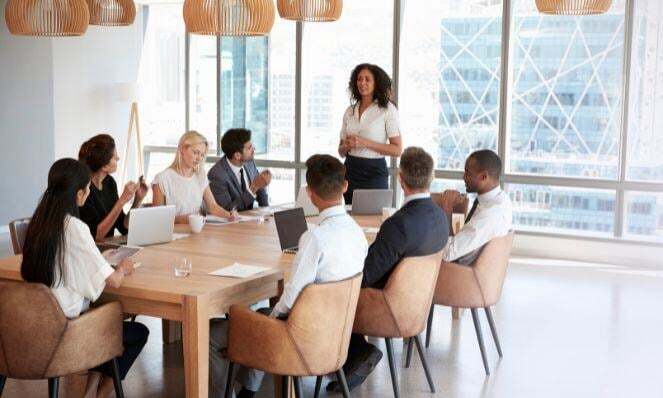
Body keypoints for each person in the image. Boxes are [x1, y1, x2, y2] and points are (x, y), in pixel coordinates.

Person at [208, 154, 368, 398]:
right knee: (262, 317)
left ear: (310, 193)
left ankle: (235, 394)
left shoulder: (315, 238)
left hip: (300, 338)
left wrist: (270, 320)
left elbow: (291, 296)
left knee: (214, 335)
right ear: (345, 186)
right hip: (336, 335)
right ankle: (248, 390)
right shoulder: (357, 233)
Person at [20, 158, 149, 398]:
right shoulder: (75, 228)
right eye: (88, 189)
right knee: (136, 332)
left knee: (108, 326)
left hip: (32, 325)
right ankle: (98, 396)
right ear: (79, 193)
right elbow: (114, 282)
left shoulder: (38, 223)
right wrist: (122, 267)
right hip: (67, 332)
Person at [327, 147, 449, 392]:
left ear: (401, 180)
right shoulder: (439, 216)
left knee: (329, 290)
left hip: (384, 305)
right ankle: (352, 354)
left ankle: (359, 351)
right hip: (414, 304)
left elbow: (367, 275)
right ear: (431, 177)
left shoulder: (398, 224)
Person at [338, 63, 403, 204]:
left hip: (374, 173)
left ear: (376, 83)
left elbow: (397, 150)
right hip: (350, 171)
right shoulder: (349, 111)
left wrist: (364, 143)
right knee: (349, 217)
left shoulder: (387, 110)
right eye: (359, 79)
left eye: (368, 79)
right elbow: (341, 151)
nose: (362, 83)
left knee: (374, 219)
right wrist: (346, 147)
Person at [439, 149, 513, 265]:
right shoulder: (502, 200)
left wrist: (446, 210)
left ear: (484, 176)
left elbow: (447, 253)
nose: (463, 177)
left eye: (468, 173)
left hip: (456, 271)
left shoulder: (488, 215)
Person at [152, 130, 237, 224]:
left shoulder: (200, 176)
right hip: (173, 235)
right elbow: (156, 219)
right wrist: (180, 220)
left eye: (202, 155)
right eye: (195, 153)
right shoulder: (162, 179)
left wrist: (229, 215)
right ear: (182, 149)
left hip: (197, 232)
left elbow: (213, 207)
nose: (199, 158)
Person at [78, 134, 148, 241]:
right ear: (104, 166)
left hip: (108, 247)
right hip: (93, 249)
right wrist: (121, 201)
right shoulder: (84, 190)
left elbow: (124, 227)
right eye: (114, 157)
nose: (118, 158)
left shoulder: (109, 183)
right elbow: (96, 235)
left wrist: (137, 200)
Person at [208, 128, 271, 211]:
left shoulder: (249, 162)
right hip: (231, 223)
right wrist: (253, 188)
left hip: (251, 221)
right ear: (237, 156)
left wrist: (268, 213)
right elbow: (228, 210)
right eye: (249, 148)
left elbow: (260, 189)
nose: (253, 149)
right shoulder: (217, 175)